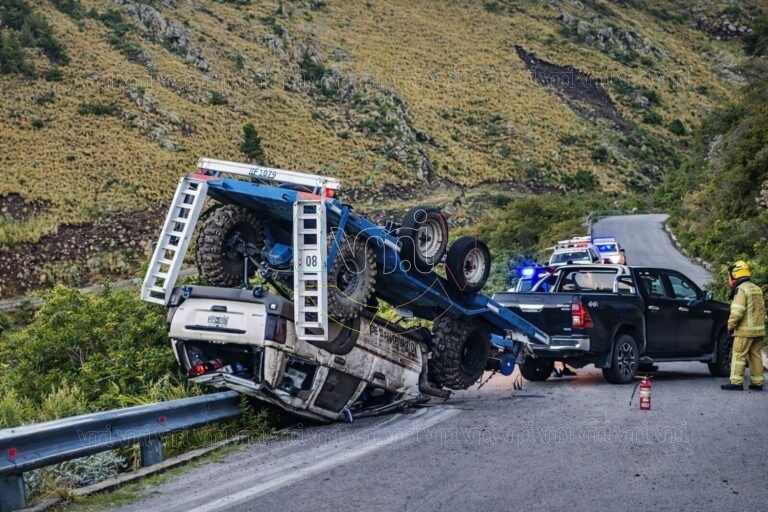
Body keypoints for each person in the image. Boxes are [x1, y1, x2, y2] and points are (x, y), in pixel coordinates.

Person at [721, 261, 766, 391]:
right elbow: (762, 311)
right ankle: (757, 383)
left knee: (738, 355)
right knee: (755, 356)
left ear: (735, 275)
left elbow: (737, 312)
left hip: (744, 331)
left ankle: (736, 383)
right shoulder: (756, 288)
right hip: (758, 330)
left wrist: (730, 326)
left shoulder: (741, 290)